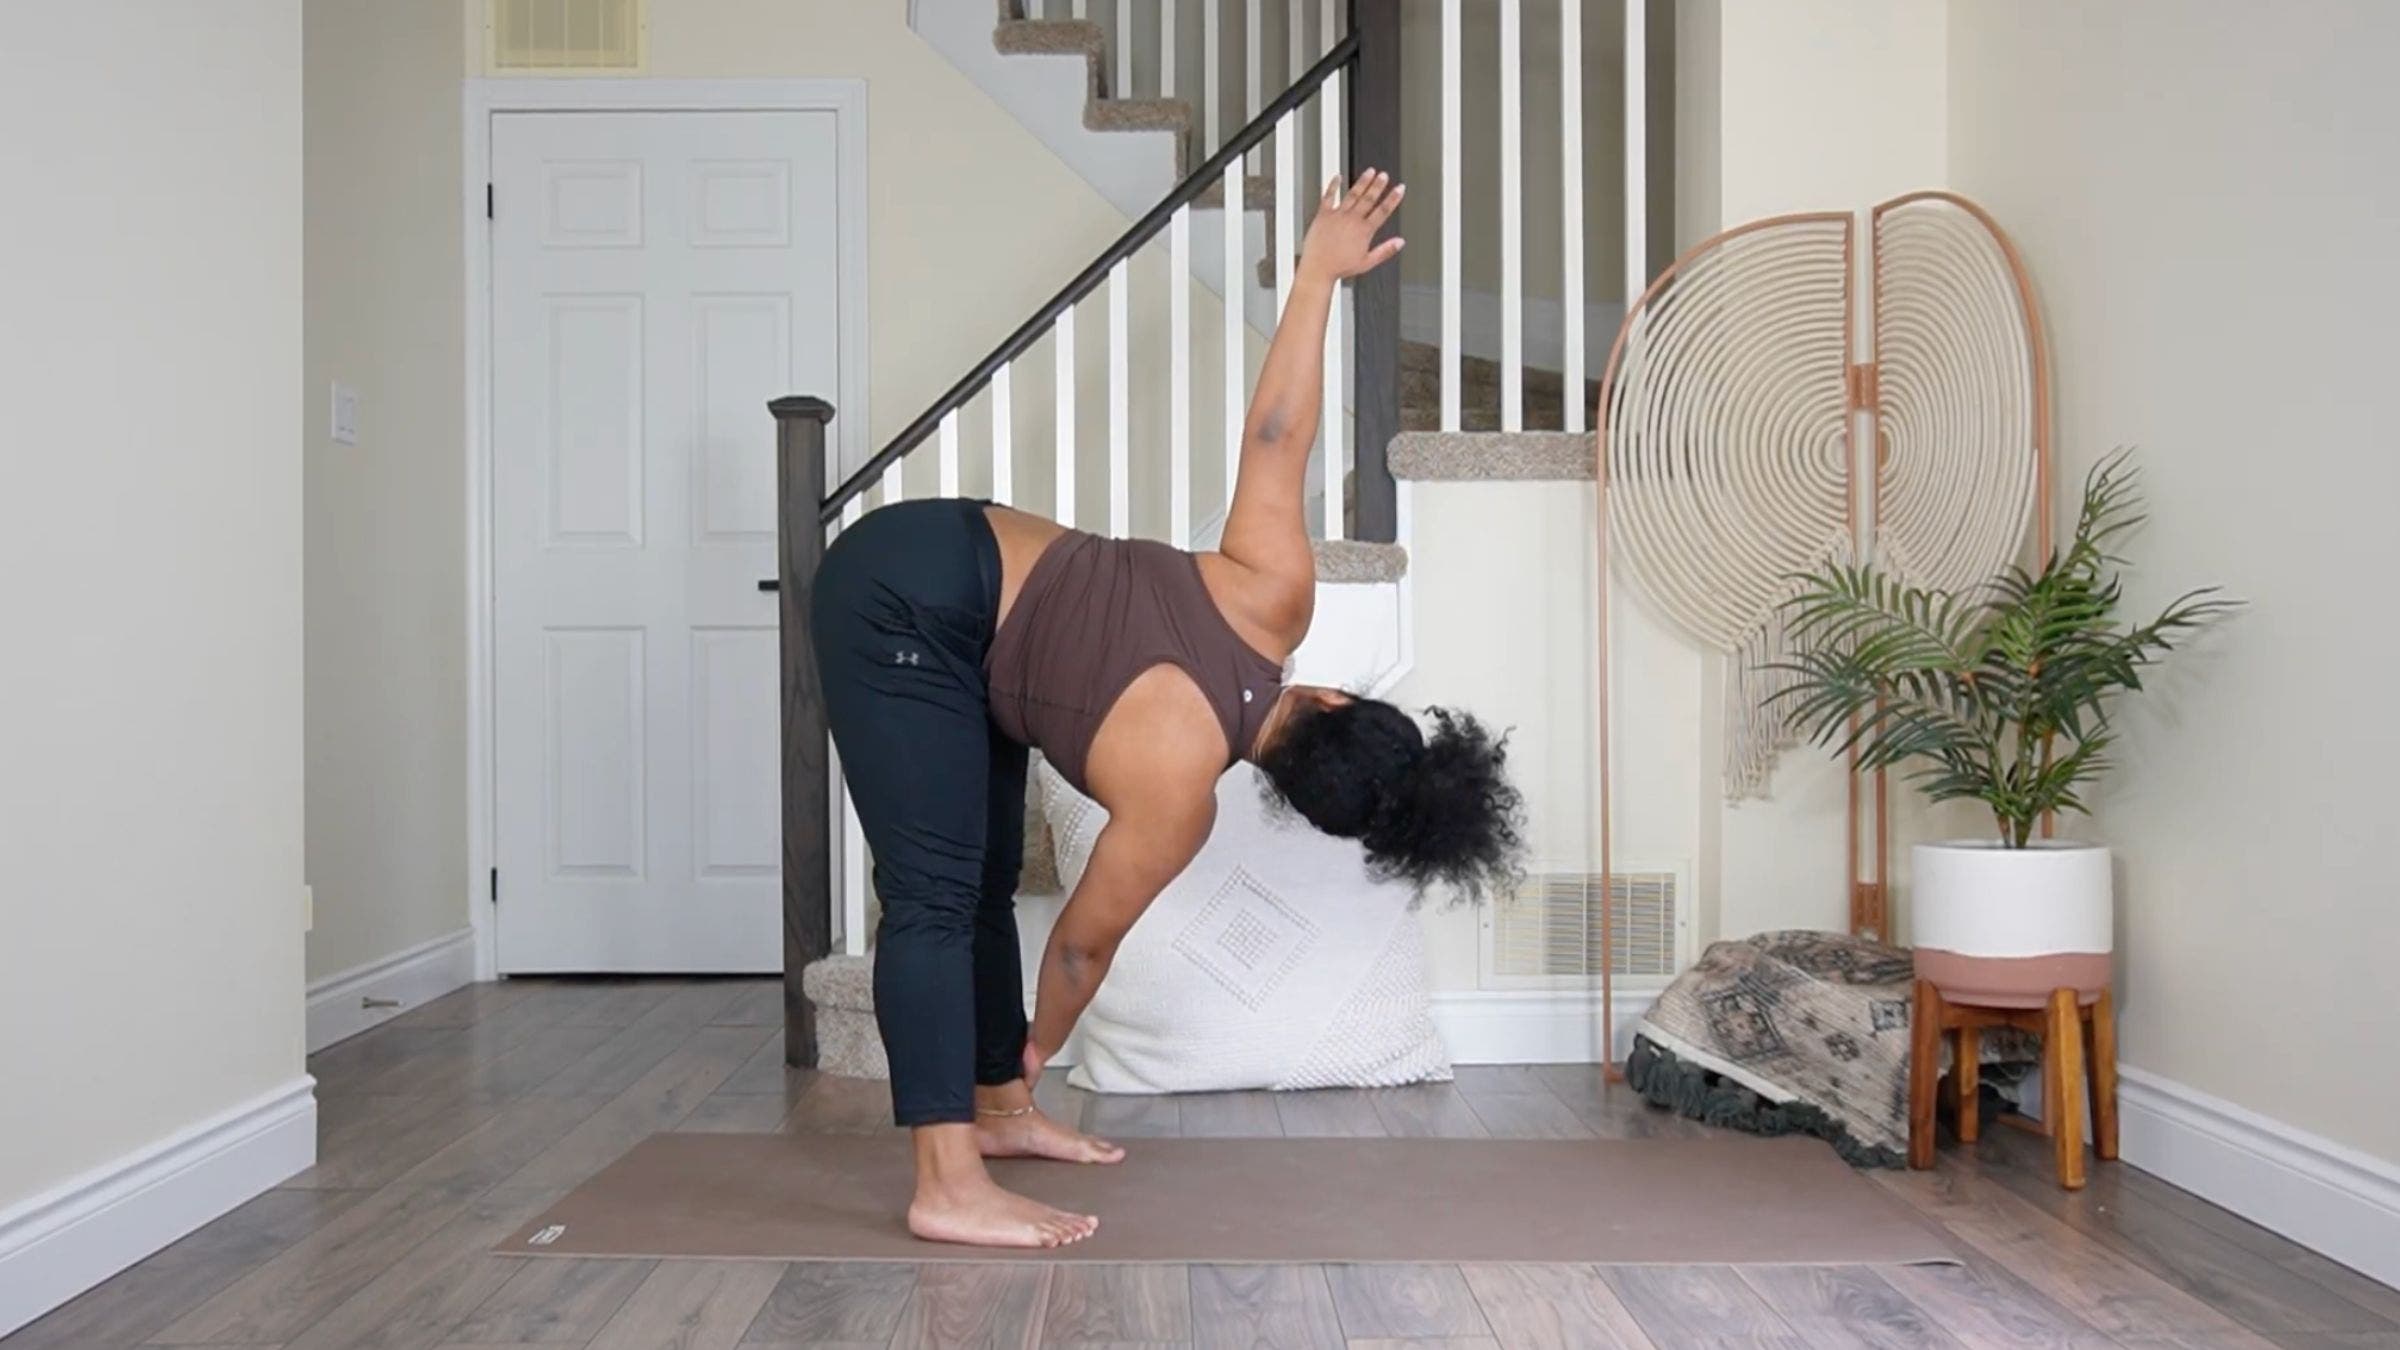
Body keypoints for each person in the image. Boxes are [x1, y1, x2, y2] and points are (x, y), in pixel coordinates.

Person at [810, 169, 1523, 1249]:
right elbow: (1082, 957)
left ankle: (998, 1117)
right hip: (904, 599)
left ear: (1330, 696)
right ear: (1298, 800)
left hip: (937, 564)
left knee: (984, 882)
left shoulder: (1270, 600)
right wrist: (1048, 1036)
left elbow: (1279, 435)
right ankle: (945, 1181)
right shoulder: (1177, 801)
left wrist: (1320, 275)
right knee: (934, 898)